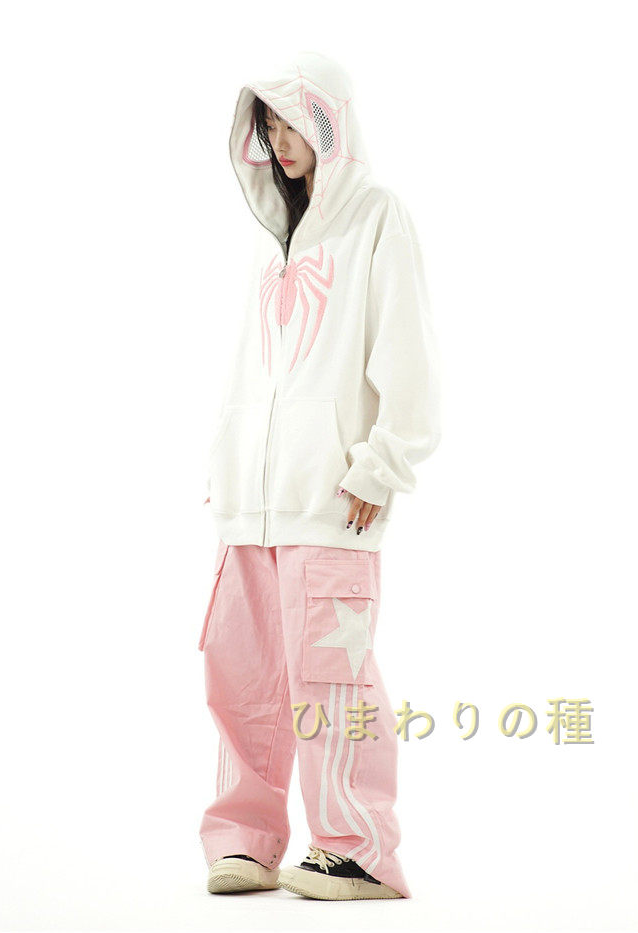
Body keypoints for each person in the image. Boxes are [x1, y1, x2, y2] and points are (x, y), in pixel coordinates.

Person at [197, 50, 441, 901]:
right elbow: (251, 374)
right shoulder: (275, 247)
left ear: (330, 121)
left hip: (334, 502)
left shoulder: (376, 216)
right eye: (267, 124)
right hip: (251, 509)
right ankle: (246, 839)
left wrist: (383, 463)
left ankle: (359, 848)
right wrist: (230, 469)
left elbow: (407, 354)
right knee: (240, 674)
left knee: (331, 679)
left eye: (294, 119)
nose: (280, 138)